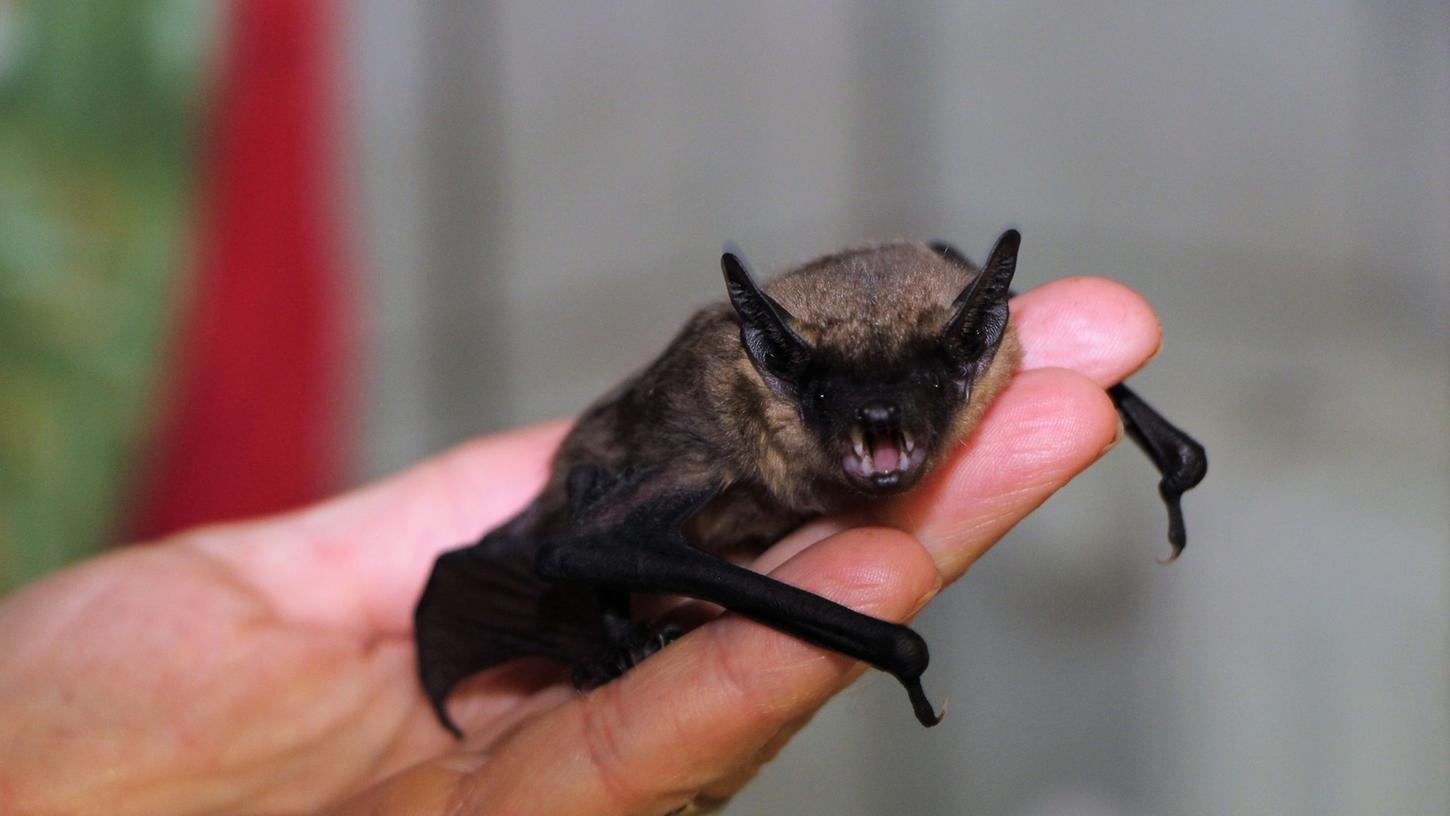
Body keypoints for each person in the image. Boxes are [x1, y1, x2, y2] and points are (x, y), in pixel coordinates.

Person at [0, 278, 1161, 815]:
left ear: (967, 354)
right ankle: (610, 626)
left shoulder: (959, 313)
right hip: (624, 495)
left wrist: (1132, 419)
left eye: (916, 396)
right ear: (774, 375)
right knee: (598, 567)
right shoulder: (721, 420)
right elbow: (584, 543)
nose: (878, 429)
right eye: (835, 405)